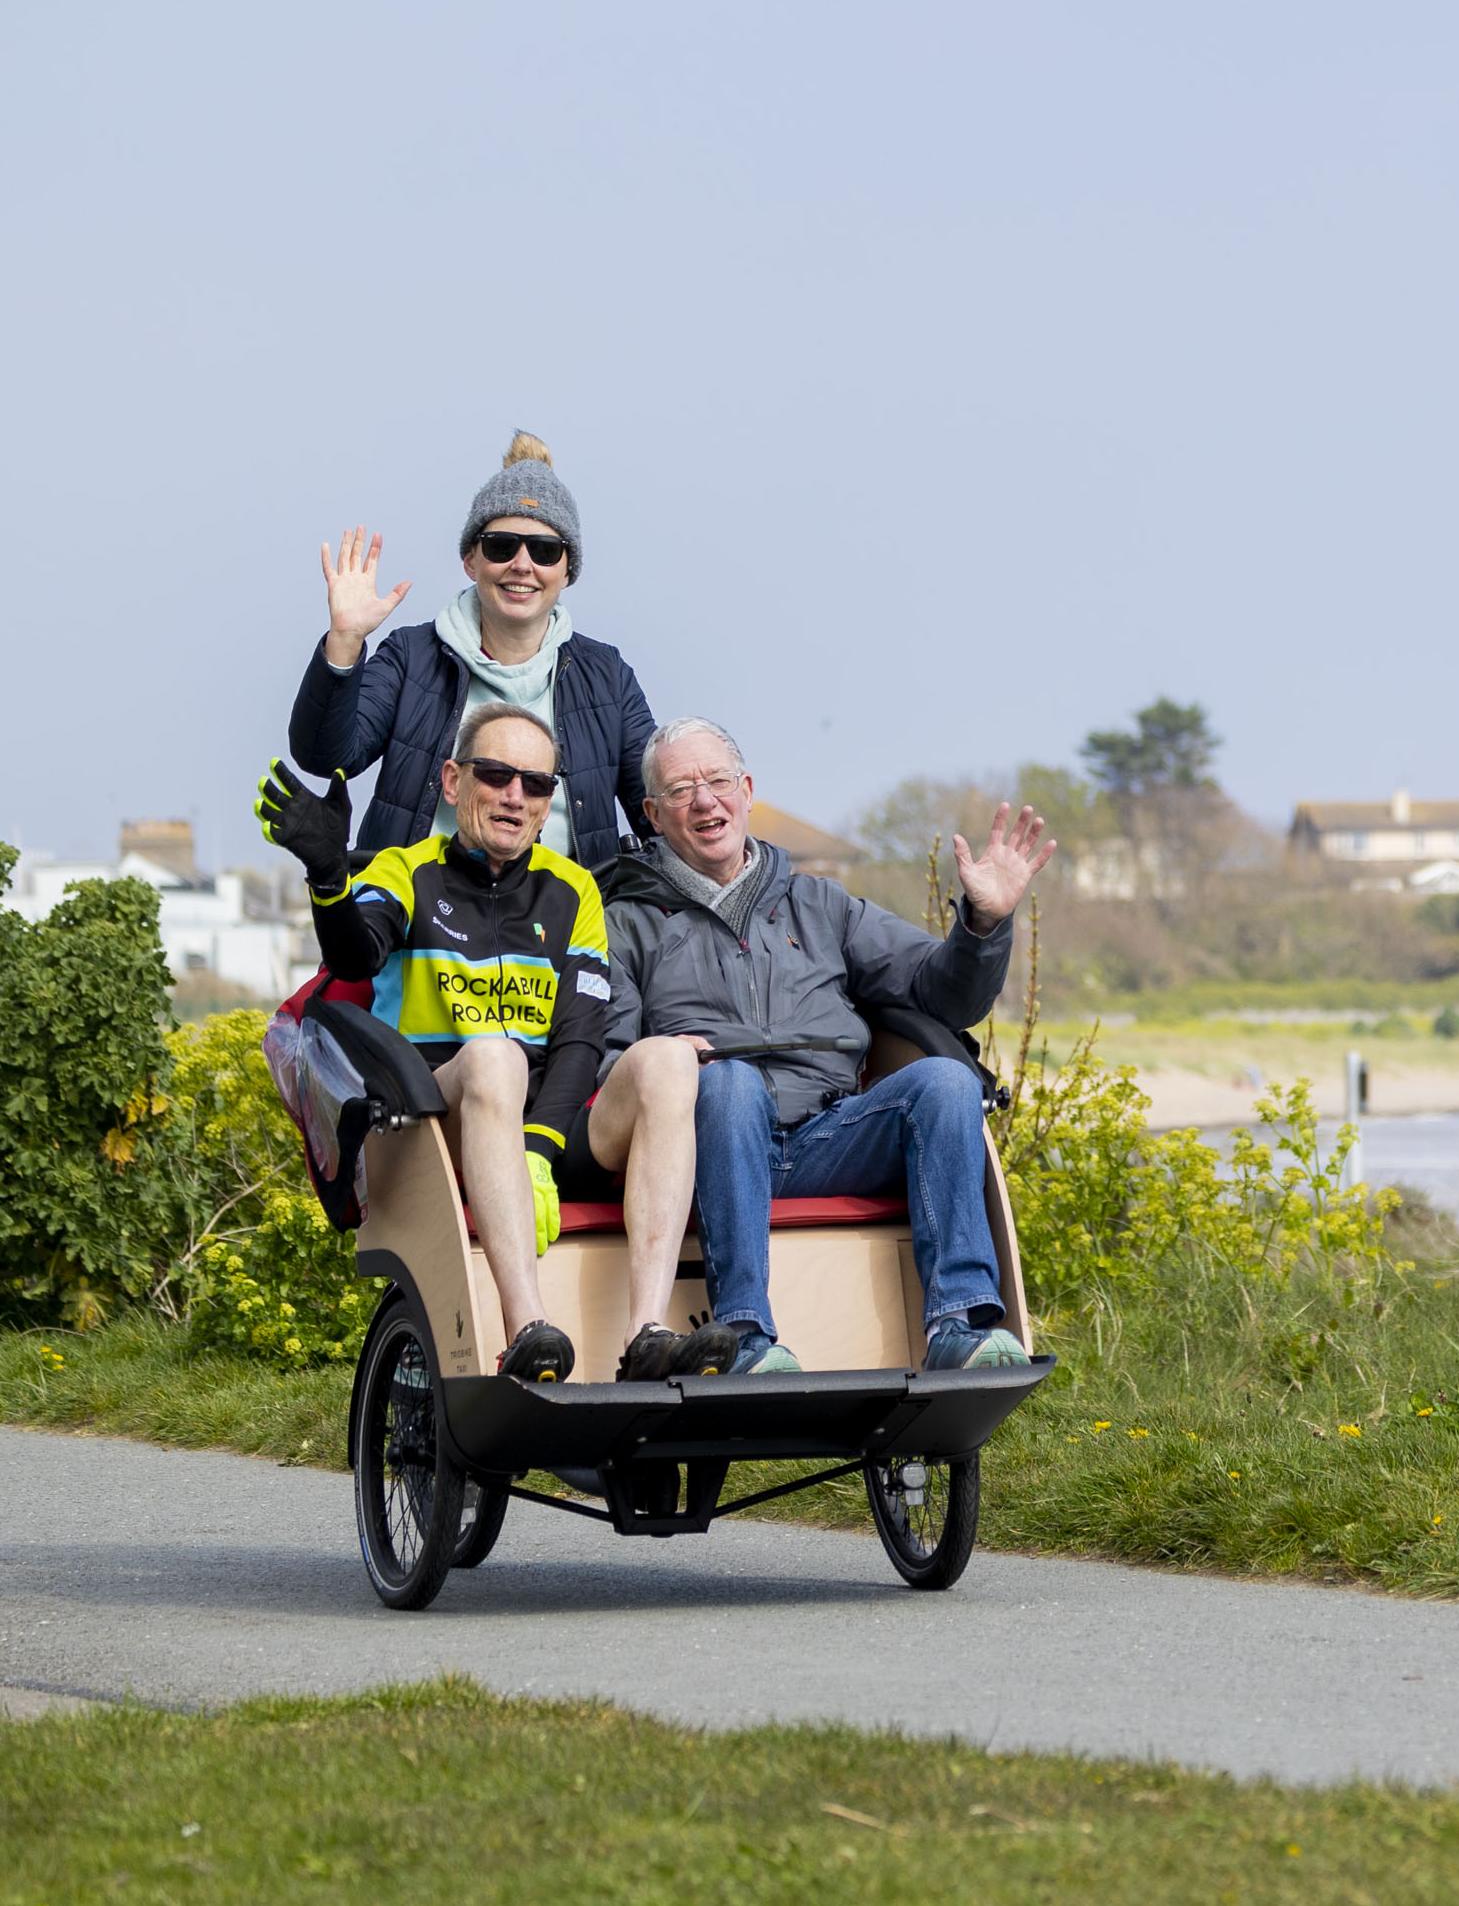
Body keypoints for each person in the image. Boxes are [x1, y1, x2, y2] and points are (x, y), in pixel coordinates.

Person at [256, 705, 734, 1384]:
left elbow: (578, 1039)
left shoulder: (573, 891)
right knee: (494, 1054)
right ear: (452, 782)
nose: (515, 795)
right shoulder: (404, 871)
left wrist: (536, 1148)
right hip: (435, 1121)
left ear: (548, 804)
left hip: (544, 1127)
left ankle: (647, 1333)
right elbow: (356, 958)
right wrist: (330, 881)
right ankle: (526, 1329)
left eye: (536, 784)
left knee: (666, 1059)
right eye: (496, 774)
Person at [596, 717, 1055, 1372]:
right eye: (681, 789)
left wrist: (984, 923)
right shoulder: (622, 923)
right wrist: (665, 1069)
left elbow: (946, 996)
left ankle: (960, 1321)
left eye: (718, 781)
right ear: (653, 814)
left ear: (747, 790)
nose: (704, 800)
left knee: (946, 1080)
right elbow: (611, 1060)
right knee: (727, 1083)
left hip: (827, 1135)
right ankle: (745, 1336)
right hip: (701, 1149)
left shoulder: (823, 905)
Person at [287, 432, 659, 870]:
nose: (522, 565)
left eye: (544, 550)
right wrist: (345, 640)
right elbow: (325, 757)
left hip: (562, 929)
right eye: (502, 546)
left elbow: (657, 809)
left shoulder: (607, 677)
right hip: (414, 921)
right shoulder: (412, 658)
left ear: (567, 570)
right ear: (471, 560)